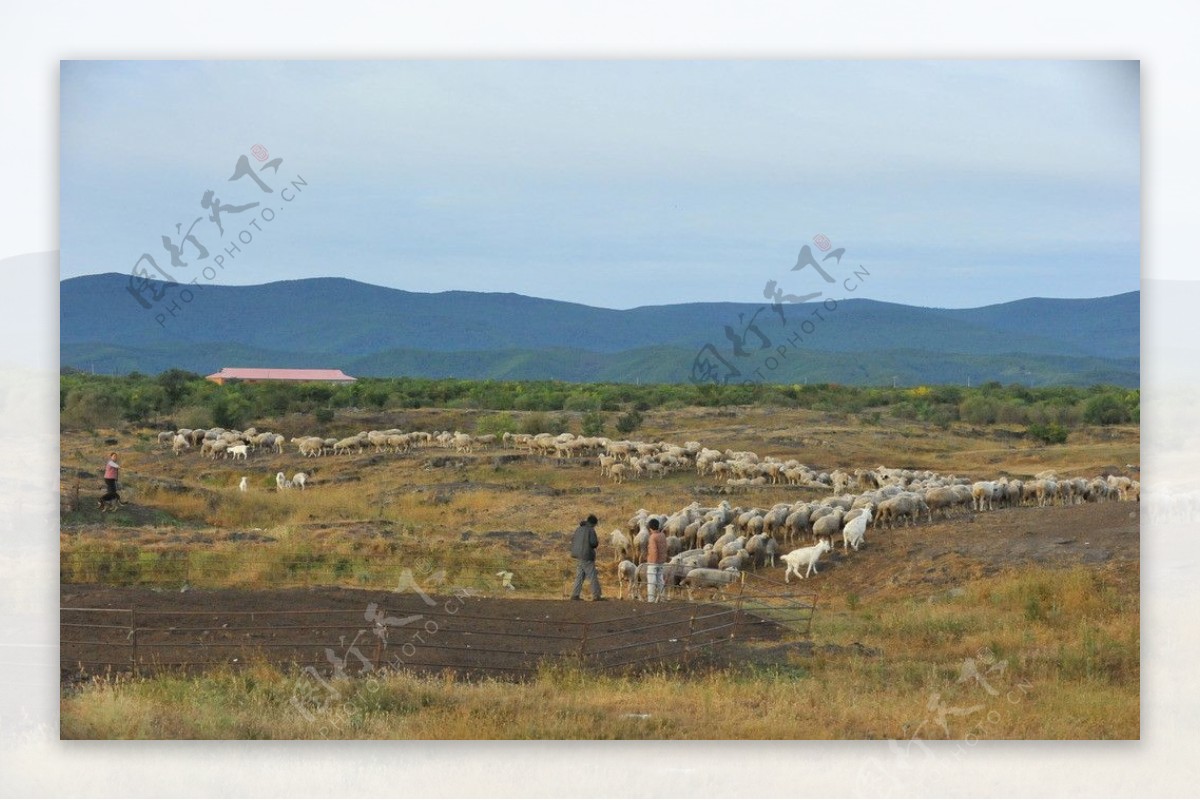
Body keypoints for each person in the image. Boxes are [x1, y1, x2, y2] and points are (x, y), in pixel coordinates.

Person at [568, 513, 603, 601]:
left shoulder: (579, 528)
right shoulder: (591, 530)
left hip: (578, 555)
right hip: (587, 556)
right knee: (592, 576)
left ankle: (575, 595)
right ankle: (596, 595)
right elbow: (594, 543)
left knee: (579, 576)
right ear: (594, 523)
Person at [646, 517, 668, 602]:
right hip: (661, 562)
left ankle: (651, 599)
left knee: (651, 581)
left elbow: (654, 550)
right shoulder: (662, 535)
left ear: (650, 528)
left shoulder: (653, 537)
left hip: (653, 562)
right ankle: (662, 597)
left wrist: (653, 561)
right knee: (660, 580)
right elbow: (665, 547)